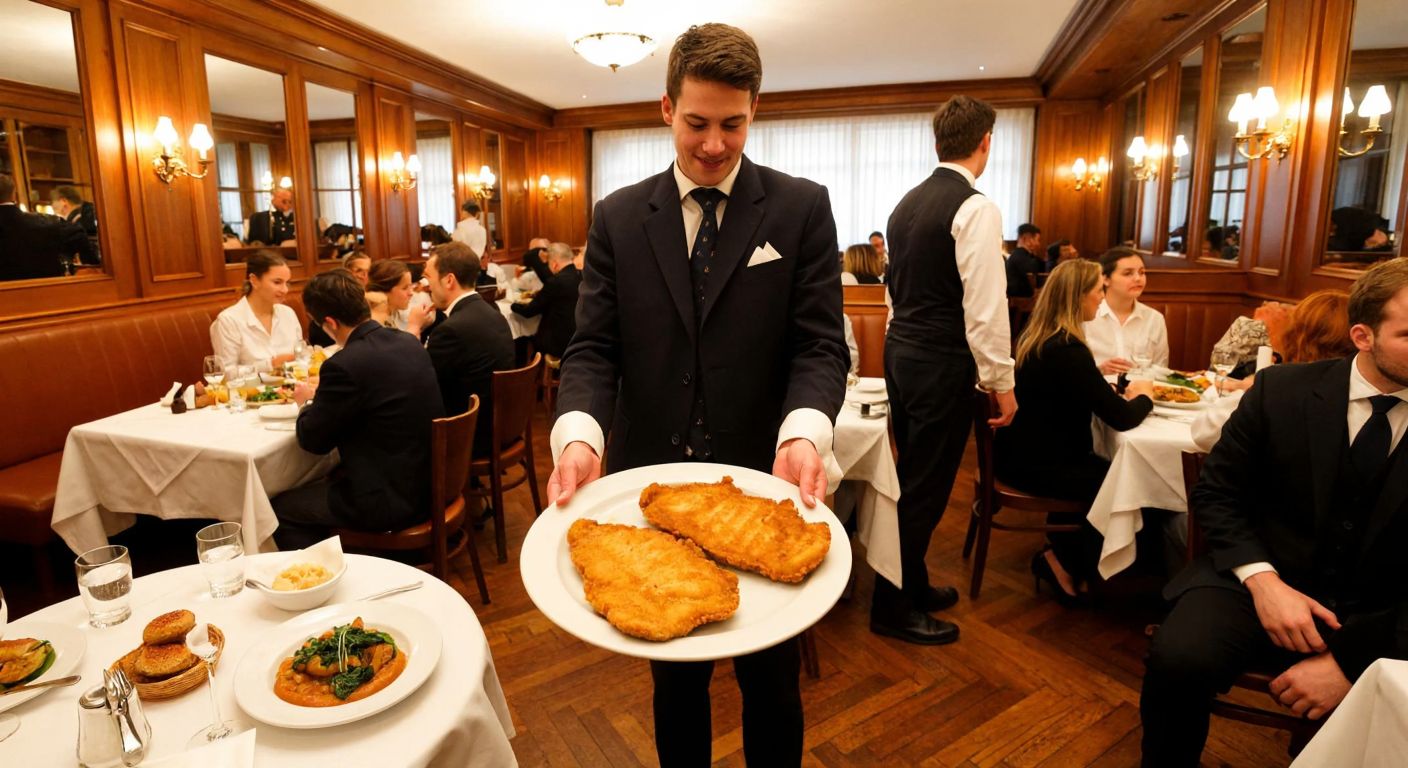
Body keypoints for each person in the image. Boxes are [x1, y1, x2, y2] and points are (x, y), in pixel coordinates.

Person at [547, 23, 848, 767]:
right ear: (665, 109)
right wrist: (579, 434)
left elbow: (819, 343)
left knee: (774, 685)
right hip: (651, 488)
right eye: (697, 123)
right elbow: (593, 347)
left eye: (733, 123)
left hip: (762, 492)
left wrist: (804, 431)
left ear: (754, 111)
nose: (714, 144)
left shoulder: (800, 208)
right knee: (674, 686)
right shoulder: (618, 216)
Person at [1140, 258, 1408, 767]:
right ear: (1362, 336)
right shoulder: (1281, 390)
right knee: (1179, 658)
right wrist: (1264, 582)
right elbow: (1217, 493)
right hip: (1261, 573)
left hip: (1384, 607)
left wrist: (1352, 660)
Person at [880, 94, 1017, 645]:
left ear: (938, 143)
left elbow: (894, 293)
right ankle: (890, 608)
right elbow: (986, 307)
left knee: (912, 477)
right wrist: (1001, 383)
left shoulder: (904, 204)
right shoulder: (975, 206)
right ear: (985, 142)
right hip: (938, 360)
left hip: (902, 353)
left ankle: (910, 583)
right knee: (926, 488)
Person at [995, 260, 1154, 600]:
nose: (1101, 297)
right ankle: (1066, 560)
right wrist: (1145, 395)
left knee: (1109, 468)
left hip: (1018, 454)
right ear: (1078, 296)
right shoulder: (1069, 349)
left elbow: (1068, 387)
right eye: (1097, 290)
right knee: (1122, 478)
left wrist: (1097, 380)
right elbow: (1123, 418)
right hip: (1039, 465)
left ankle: (1068, 552)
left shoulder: (1042, 336)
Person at [270, 271, 445, 549]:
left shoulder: (343, 365)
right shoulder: (408, 343)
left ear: (329, 323)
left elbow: (312, 441)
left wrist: (305, 402)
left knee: (275, 510)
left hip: (388, 502)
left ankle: (328, 581)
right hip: (433, 484)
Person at [1191, 290, 1356, 451]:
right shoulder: (1360, 393)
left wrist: (1258, 384)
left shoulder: (1279, 389)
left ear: (1295, 337)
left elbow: (1203, 433)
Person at [424, 241, 514, 459]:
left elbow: (420, 383)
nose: (427, 286)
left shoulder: (451, 330)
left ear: (448, 280)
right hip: (502, 424)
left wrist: (414, 330)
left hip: (471, 436)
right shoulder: (491, 311)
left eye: (429, 278)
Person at [1083, 246, 1169, 376]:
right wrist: (1099, 370)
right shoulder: (1087, 316)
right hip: (1096, 390)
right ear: (1105, 279)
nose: (1138, 279)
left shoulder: (1154, 318)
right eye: (1128, 273)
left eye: (1142, 272)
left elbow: (1161, 369)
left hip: (1140, 391)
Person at [210, 250, 301, 372]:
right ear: (254, 280)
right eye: (277, 282)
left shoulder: (288, 313)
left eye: (287, 283)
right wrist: (270, 365)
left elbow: (300, 354)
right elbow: (226, 373)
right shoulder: (228, 320)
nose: (285, 290)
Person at [0, 173, 95, 279]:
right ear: (14, 195)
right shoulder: (48, 223)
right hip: (47, 290)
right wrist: (87, 260)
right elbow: (78, 233)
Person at [510, 241, 581, 359]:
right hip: (577, 337)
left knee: (531, 339)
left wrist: (512, 305)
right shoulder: (581, 275)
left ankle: (532, 371)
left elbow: (529, 312)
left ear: (554, 264)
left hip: (559, 342)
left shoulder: (555, 282)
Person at [365, 259, 433, 337]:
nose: (411, 293)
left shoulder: (393, 313)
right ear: (385, 290)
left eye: (411, 285)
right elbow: (399, 348)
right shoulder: (374, 324)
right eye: (404, 288)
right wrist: (415, 325)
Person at [1004, 223, 1044, 298]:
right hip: (1020, 302)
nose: (1038, 244)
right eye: (1037, 240)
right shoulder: (1020, 257)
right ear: (1026, 238)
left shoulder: (1021, 256)